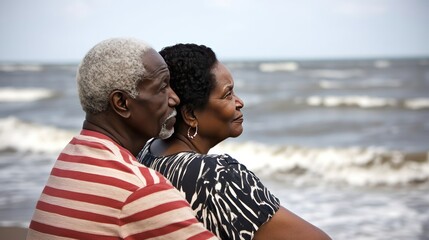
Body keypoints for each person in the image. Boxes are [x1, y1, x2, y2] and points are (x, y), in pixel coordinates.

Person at [27, 38, 217, 240]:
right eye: (162, 87)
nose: (174, 98)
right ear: (122, 103)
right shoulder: (139, 189)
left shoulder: (70, 159)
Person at [138, 43, 331, 240]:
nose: (240, 102)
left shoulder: (147, 152)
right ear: (190, 114)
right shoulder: (217, 176)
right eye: (228, 94)